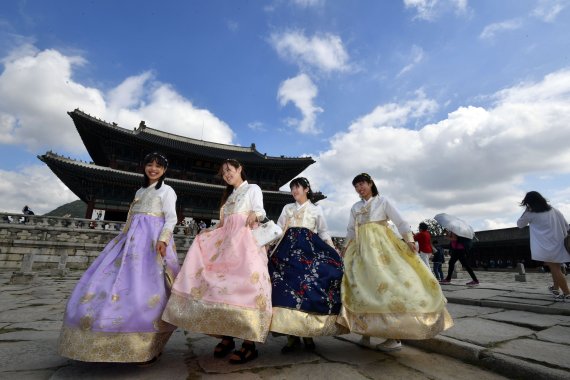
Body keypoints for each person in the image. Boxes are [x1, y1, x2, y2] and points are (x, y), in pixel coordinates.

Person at [58, 152, 180, 363]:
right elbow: (131, 218)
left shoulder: (167, 191)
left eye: (158, 166)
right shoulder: (140, 190)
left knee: (150, 287)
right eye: (149, 164)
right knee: (116, 280)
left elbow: (171, 218)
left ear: (164, 170)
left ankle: (149, 342)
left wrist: (163, 240)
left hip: (152, 241)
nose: (153, 168)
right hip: (130, 240)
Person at [162, 159, 271, 364]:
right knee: (220, 288)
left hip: (245, 244)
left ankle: (249, 344)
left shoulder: (252, 188)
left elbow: (260, 210)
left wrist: (255, 214)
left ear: (239, 169)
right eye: (224, 173)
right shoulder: (228, 197)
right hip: (225, 246)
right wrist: (208, 232)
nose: (227, 175)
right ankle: (227, 337)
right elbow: (223, 224)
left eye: (230, 170)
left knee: (248, 287)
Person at [338, 173, 453, 352]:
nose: (359, 188)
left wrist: (409, 239)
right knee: (362, 287)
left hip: (381, 249)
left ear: (370, 184)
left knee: (387, 287)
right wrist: (344, 248)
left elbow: (400, 221)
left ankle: (394, 337)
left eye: (362, 184)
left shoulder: (383, 201)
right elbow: (351, 230)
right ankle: (365, 331)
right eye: (356, 186)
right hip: (361, 251)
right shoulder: (355, 207)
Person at [268, 177, 345, 354]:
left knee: (308, 291)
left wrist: (334, 252)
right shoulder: (287, 208)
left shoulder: (316, 210)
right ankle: (291, 337)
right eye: (292, 188)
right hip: (287, 253)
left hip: (308, 254)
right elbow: (279, 229)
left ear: (306, 189)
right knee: (286, 290)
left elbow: (324, 232)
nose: (294, 191)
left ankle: (307, 334)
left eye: (297, 187)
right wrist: (267, 245)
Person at [517, 191, 570, 301]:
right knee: (555, 267)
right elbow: (566, 226)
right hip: (558, 244)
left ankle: (567, 293)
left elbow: (520, 224)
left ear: (529, 203)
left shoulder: (530, 213)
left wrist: (526, 210)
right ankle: (555, 288)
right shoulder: (555, 211)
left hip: (545, 246)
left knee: (555, 269)